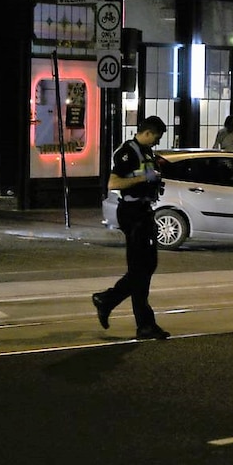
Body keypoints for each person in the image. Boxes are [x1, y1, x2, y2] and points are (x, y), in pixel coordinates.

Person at [92, 116, 170, 340]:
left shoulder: (146, 152)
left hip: (144, 212)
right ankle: (144, 324)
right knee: (140, 270)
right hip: (132, 213)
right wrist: (142, 179)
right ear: (147, 132)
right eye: (156, 137)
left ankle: (108, 299)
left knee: (147, 267)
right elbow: (113, 183)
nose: (156, 142)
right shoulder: (126, 152)